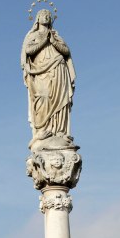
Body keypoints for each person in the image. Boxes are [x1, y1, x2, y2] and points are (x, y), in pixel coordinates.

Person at [21, 9, 76, 147]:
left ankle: (59, 132)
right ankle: (43, 131)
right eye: (42, 15)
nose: (46, 16)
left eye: (48, 15)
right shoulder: (33, 35)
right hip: (40, 71)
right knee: (43, 97)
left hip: (58, 68)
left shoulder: (55, 35)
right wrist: (44, 41)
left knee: (60, 100)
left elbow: (66, 51)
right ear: (37, 19)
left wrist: (54, 41)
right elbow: (28, 51)